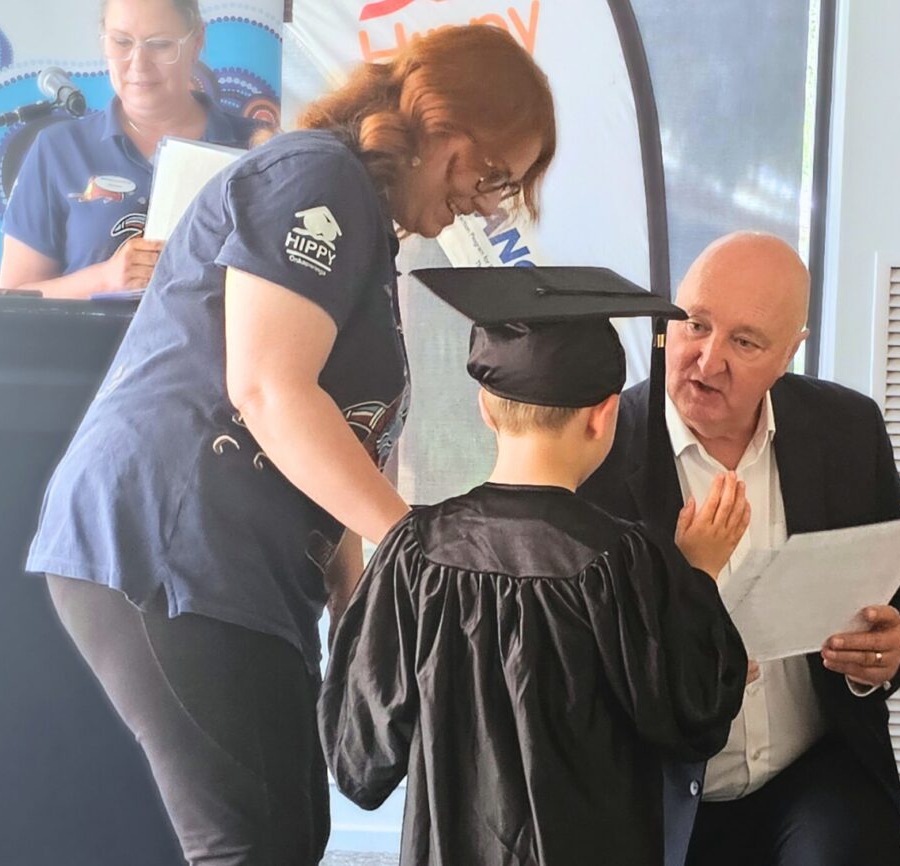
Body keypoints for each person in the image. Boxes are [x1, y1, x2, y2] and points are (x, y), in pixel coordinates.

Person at [24, 25, 557, 866]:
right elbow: (270, 389)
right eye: (493, 175)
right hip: (170, 549)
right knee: (254, 846)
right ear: (441, 126)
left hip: (239, 569)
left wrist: (358, 598)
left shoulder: (364, 224)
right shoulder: (318, 176)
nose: (487, 203)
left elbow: (332, 434)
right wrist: (416, 544)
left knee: (290, 837)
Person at [320, 266, 750, 865]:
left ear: (486, 409)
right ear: (603, 416)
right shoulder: (624, 562)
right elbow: (693, 717)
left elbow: (359, 760)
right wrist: (696, 578)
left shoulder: (414, 552)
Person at [581, 231, 900, 866]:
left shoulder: (848, 429)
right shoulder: (597, 449)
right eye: (695, 325)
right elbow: (574, 665)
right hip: (658, 783)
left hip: (816, 771)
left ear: (788, 355)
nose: (706, 360)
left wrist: (892, 645)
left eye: (744, 342)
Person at [0, 0, 260, 298]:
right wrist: (105, 279)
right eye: (121, 42)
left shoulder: (257, 149)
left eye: (159, 45)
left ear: (197, 41)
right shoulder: (60, 149)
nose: (138, 63)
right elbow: (13, 297)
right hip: (86, 344)